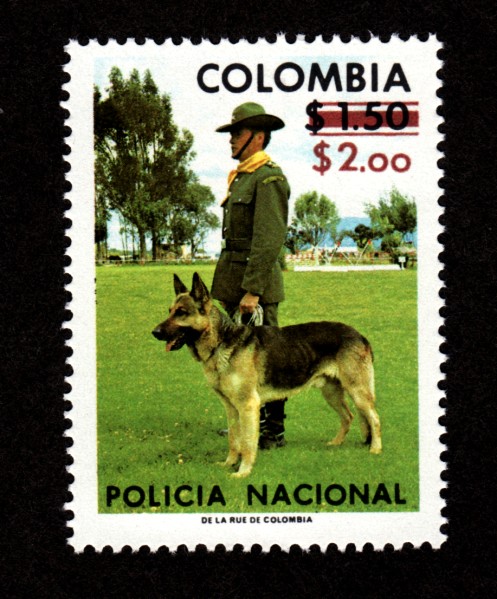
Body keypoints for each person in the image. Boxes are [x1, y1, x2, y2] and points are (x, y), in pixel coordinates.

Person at [211, 102, 290, 449]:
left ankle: (274, 430)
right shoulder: (243, 177)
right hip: (234, 281)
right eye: (231, 133)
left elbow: (269, 238)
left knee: (267, 358)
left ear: (258, 136)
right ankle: (246, 423)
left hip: (254, 287)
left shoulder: (268, 178)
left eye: (237, 133)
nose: (231, 139)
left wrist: (253, 290)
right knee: (237, 357)